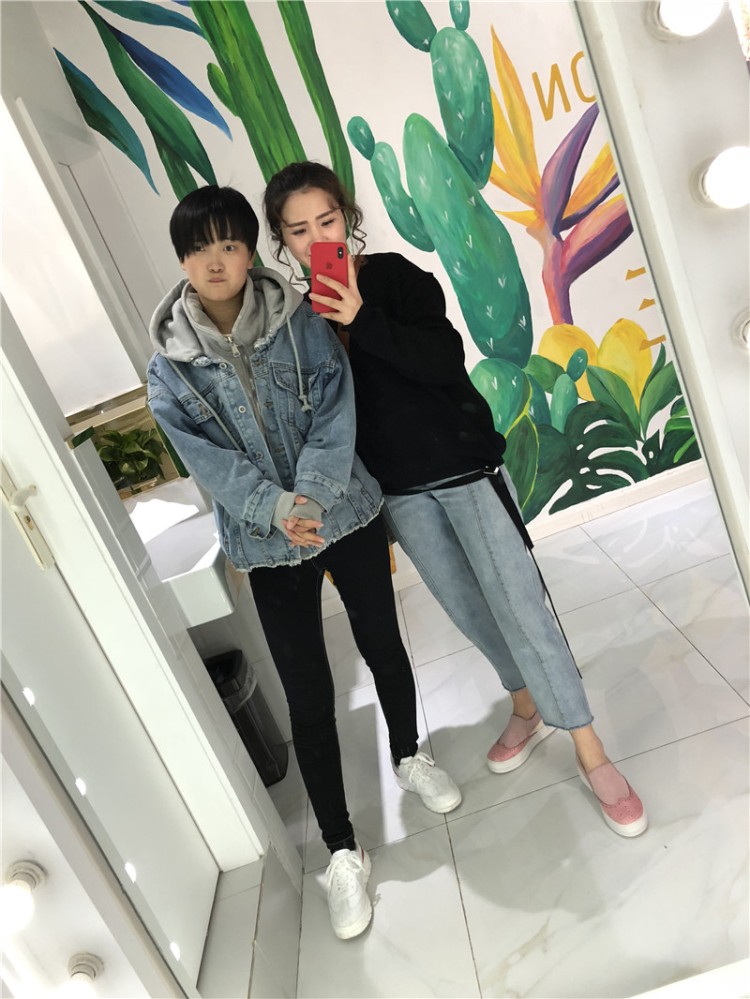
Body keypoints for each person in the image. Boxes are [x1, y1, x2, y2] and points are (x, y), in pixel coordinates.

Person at [263, 162, 648, 839]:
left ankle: (589, 746)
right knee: (469, 609)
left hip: (464, 469)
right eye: (299, 230)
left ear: (346, 218)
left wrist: (362, 318)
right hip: (398, 493)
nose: (317, 238)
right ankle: (525, 705)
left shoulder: (395, 279)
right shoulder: (299, 323)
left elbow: (441, 360)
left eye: (326, 220)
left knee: (521, 605)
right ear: (283, 242)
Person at [146, 185, 461, 941]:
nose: (216, 261)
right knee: (308, 692)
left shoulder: (299, 318)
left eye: (229, 244)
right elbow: (207, 461)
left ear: (251, 250)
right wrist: (275, 507)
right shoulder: (170, 370)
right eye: (199, 248)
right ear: (183, 259)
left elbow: (335, 406)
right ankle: (342, 851)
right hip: (266, 541)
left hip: (345, 511)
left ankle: (410, 754)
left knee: (383, 643)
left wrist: (313, 494)